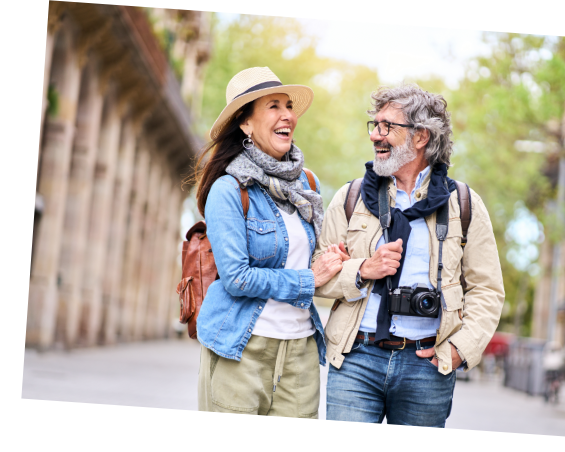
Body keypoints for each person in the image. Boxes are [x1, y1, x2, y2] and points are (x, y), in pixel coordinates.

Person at [314, 83, 505, 426]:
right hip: (356, 357)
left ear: (421, 137)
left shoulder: (463, 204)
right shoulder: (351, 197)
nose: (376, 135)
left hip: (427, 366)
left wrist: (459, 349)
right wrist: (362, 270)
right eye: (375, 125)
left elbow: (487, 290)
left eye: (388, 126)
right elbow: (317, 276)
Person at [192, 66, 343, 417]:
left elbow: (309, 258)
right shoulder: (228, 190)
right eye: (273, 106)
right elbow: (237, 278)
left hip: (301, 353)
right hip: (240, 349)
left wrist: (334, 259)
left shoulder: (307, 183)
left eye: (289, 106)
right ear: (245, 123)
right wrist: (309, 279)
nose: (287, 115)